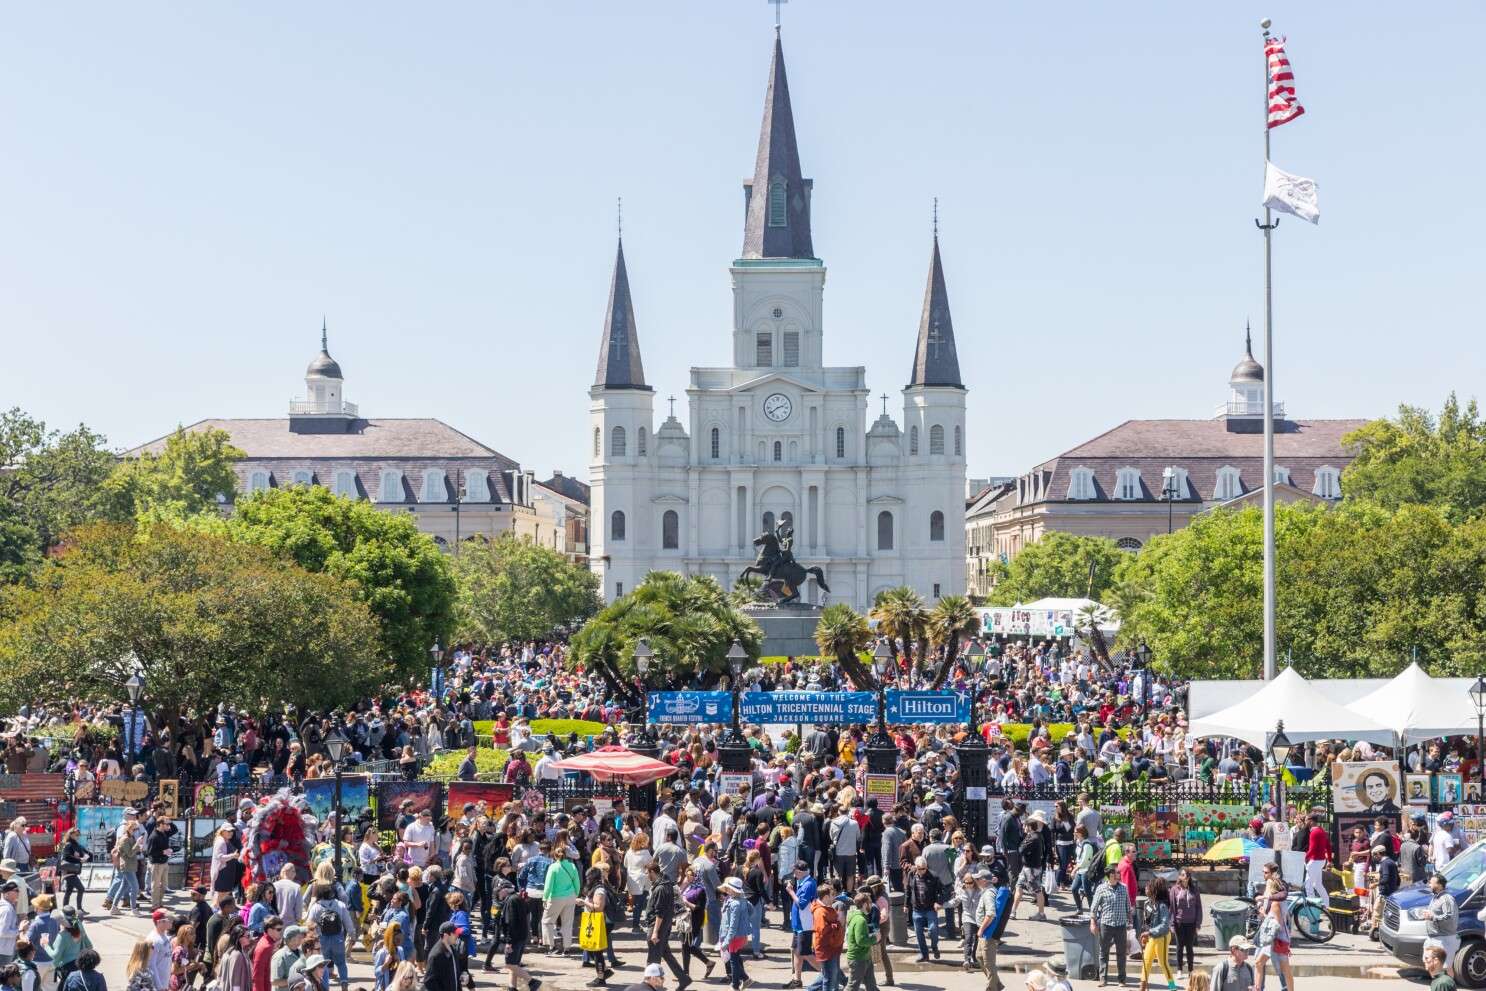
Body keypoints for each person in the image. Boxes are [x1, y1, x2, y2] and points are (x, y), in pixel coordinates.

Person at [642, 862, 688, 990]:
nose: (647, 876)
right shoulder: (665, 884)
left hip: (657, 927)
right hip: (664, 926)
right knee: (666, 954)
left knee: (653, 959)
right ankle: (684, 979)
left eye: (647, 873)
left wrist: (655, 932)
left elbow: (660, 913)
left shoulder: (661, 888)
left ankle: (651, 986)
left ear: (652, 872)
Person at [1251, 864, 1294, 991]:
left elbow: (1279, 925)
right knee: (1261, 963)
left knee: (1283, 969)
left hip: (1275, 938)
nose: (1263, 875)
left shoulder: (1276, 902)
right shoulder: (1276, 899)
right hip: (1274, 938)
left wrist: (1264, 915)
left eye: (1265, 873)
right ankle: (1259, 988)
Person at [1089, 865, 1130, 987]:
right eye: (1117, 872)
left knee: (1121, 953)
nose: (1119, 874)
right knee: (1104, 952)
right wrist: (1093, 923)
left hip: (1121, 925)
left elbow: (1128, 907)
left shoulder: (1123, 888)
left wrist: (1130, 922)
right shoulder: (1101, 889)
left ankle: (1121, 979)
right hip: (1106, 925)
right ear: (1111, 875)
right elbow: (1094, 908)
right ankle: (1103, 978)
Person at [973, 869, 1012, 991]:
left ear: (984, 881)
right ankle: (997, 985)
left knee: (989, 963)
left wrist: (981, 930)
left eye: (978, 879)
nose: (976, 881)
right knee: (979, 957)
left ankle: (992, 988)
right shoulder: (987, 891)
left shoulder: (989, 893)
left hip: (987, 934)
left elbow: (991, 914)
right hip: (985, 933)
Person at [1137, 877, 1175, 991]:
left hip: (1162, 937)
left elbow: (1164, 925)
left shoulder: (1162, 905)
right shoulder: (1147, 903)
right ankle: (1142, 987)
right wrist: (1145, 935)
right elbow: (1146, 922)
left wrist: (1149, 932)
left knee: (1163, 963)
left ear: (1154, 890)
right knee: (1146, 961)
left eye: (1149, 886)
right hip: (1152, 936)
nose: (1146, 888)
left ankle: (1173, 987)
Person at [542, 845, 581, 955]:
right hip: (570, 896)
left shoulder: (553, 867)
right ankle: (567, 948)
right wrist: (575, 894)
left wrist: (545, 898)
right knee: (567, 923)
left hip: (556, 897)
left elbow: (548, 885)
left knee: (547, 921)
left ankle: (550, 946)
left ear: (554, 855)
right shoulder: (572, 866)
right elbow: (577, 883)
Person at [1419, 872, 1460, 980]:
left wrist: (1433, 917)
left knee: (1446, 967)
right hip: (1432, 937)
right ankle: (1436, 985)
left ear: (1439, 885)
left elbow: (1449, 916)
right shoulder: (1435, 897)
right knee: (1430, 964)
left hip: (1444, 939)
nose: (1429, 885)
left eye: (1431, 883)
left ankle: (1448, 986)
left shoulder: (1447, 899)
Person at [906, 857, 943, 963]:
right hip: (916, 909)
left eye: (924, 868)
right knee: (919, 934)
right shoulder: (911, 875)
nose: (922, 871)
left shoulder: (934, 876)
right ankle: (924, 954)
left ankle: (934, 946)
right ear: (916, 867)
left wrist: (938, 902)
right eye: (920, 869)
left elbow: (940, 892)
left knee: (933, 930)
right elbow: (908, 890)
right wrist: (906, 905)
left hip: (930, 908)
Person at [715, 877, 750, 991]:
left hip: (733, 937)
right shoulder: (742, 900)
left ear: (733, 890)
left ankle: (735, 986)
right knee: (735, 959)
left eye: (728, 889)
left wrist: (726, 941)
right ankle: (745, 979)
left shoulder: (735, 903)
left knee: (733, 961)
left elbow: (733, 926)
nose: (726, 890)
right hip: (738, 935)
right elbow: (751, 910)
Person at [806, 888, 844, 991]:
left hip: (831, 948)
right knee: (829, 978)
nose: (834, 898)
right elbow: (823, 931)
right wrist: (838, 923)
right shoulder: (820, 911)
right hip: (826, 949)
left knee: (830, 975)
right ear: (826, 897)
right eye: (832, 895)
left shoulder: (825, 908)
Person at [1168, 868, 1202, 979]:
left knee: (1189, 947)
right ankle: (1179, 969)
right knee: (1179, 947)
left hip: (1191, 922)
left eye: (1187, 875)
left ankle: (1191, 970)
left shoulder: (1194, 889)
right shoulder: (1174, 890)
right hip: (1179, 922)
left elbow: (1198, 907)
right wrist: (1172, 924)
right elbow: (1172, 908)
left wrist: (1198, 923)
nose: (1185, 877)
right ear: (1179, 877)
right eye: (1183, 875)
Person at [786, 862, 815, 990]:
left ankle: (830, 976)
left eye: (796, 872)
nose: (794, 875)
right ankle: (797, 980)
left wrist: (791, 892)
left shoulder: (808, 884)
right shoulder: (802, 882)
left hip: (805, 925)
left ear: (801, 871)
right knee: (797, 952)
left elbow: (802, 904)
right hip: (799, 924)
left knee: (806, 954)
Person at [843, 892, 876, 991]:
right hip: (858, 959)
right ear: (865, 904)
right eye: (870, 903)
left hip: (864, 957)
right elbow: (861, 941)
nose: (871, 905)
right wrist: (875, 938)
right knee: (852, 987)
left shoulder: (856, 916)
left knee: (871, 985)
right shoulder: (860, 920)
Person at [1302, 812, 1332, 907]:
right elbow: (1328, 846)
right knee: (1317, 884)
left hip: (1315, 861)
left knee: (1308, 885)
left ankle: (1314, 908)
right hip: (1321, 861)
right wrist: (1330, 860)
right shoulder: (1321, 830)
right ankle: (1327, 905)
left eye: (1306, 820)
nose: (1305, 822)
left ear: (1310, 821)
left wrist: (1303, 857)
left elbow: (1312, 849)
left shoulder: (1314, 832)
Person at [424, 924, 462, 991]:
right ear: (446, 936)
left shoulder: (453, 949)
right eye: (455, 933)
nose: (457, 935)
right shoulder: (436, 955)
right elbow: (429, 981)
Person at [146, 912, 173, 991]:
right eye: (165, 920)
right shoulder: (153, 939)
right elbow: (151, 964)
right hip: (157, 985)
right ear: (158, 922)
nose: (168, 922)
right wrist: (159, 986)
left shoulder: (164, 936)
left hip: (164, 982)